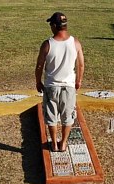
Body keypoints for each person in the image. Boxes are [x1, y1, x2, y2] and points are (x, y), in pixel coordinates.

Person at [35, 12, 85, 152]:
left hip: (51, 86)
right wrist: (78, 81)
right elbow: (80, 65)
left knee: (51, 116)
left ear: (55, 26)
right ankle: (63, 143)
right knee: (67, 116)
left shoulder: (47, 44)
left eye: (51, 24)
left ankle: (54, 144)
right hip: (68, 86)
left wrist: (38, 81)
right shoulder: (75, 42)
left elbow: (39, 65)